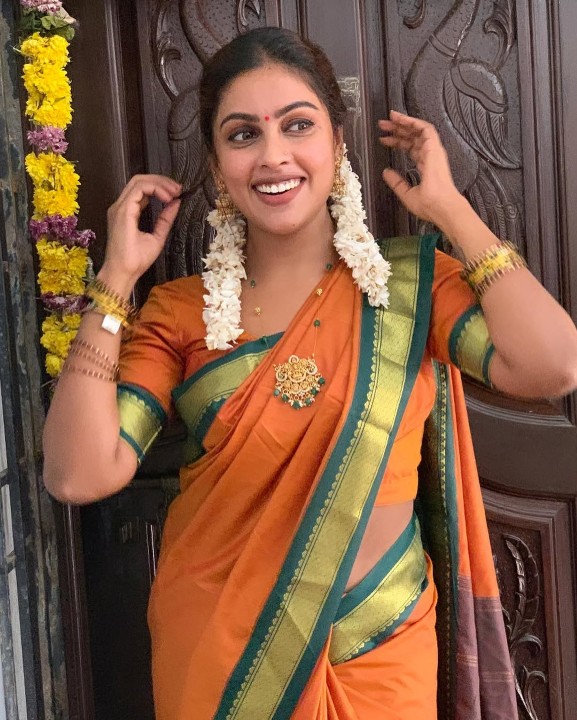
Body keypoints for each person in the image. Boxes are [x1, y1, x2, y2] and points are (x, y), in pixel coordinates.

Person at [42, 26, 577, 720]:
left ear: (337, 144)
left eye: (298, 125)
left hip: (381, 650)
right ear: (216, 166)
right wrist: (117, 277)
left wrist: (450, 209)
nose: (273, 155)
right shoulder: (180, 312)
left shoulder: (409, 288)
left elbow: (553, 366)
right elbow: (79, 474)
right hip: (224, 657)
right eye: (243, 135)